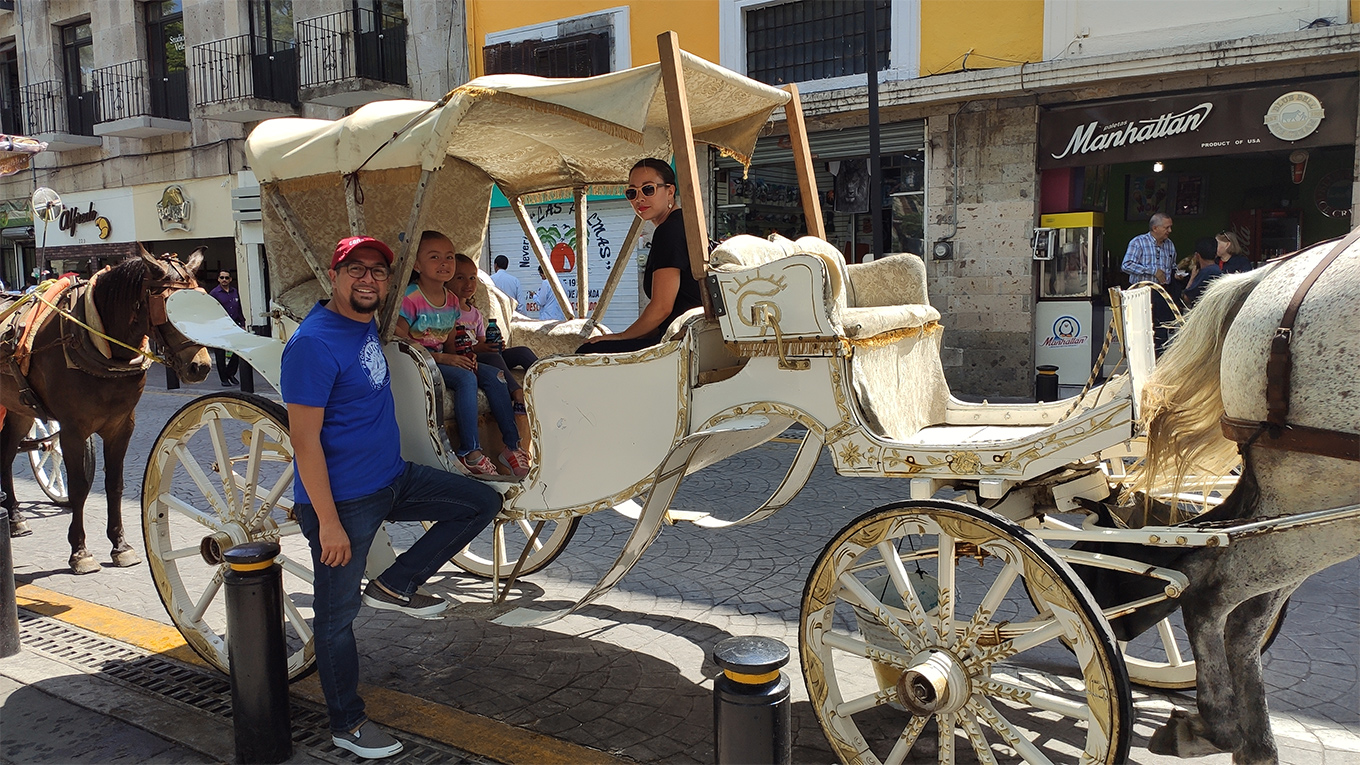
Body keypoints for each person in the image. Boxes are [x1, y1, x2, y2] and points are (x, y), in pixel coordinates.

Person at [280, 235, 500, 760]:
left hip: (393, 479)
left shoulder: (365, 325)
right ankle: (347, 724)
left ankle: (396, 582)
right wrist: (328, 523)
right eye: (355, 269)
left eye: (378, 272)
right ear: (334, 276)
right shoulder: (312, 344)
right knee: (336, 619)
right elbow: (304, 442)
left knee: (482, 503)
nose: (368, 280)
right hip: (345, 503)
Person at [394, 231, 529, 477]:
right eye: (434, 257)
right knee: (466, 378)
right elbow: (398, 337)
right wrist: (443, 359)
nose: (444, 263)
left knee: (496, 376)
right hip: (418, 364)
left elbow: (450, 340)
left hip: (442, 360)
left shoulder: (451, 301)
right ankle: (470, 452)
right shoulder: (411, 297)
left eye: (448, 257)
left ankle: (511, 446)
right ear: (417, 265)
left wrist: (464, 357)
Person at [577, 158, 702, 354]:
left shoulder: (669, 231)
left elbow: (662, 307)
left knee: (587, 352)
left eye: (648, 189)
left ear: (670, 191)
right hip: (688, 337)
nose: (639, 199)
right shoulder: (684, 224)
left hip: (679, 343)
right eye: (632, 192)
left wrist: (622, 336)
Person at [449, 253, 538, 419]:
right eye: (460, 278)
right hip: (468, 358)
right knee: (493, 357)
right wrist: (482, 348)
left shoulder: (475, 313)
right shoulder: (447, 312)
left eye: (472, 278)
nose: (468, 283)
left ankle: (549, 380)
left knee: (522, 352)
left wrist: (493, 345)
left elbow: (481, 340)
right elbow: (452, 348)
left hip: (484, 354)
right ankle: (517, 392)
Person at [208, 269, 246, 386]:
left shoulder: (234, 291)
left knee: (238, 351)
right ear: (218, 279)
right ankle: (224, 379)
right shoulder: (214, 293)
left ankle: (230, 373)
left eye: (226, 278)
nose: (224, 280)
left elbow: (238, 308)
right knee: (220, 354)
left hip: (234, 324)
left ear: (230, 279)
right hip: (219, 326)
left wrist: (242, 322)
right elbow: (210, 310)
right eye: (222, 277)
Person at [1121, 213, 1177, 287]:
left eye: (1170, 227)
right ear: (1155, 228)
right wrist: (1153, 271)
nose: (1170, 230)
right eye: (1167, 228)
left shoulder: (1169, 244)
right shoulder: (1138, 242)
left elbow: (1173, 266)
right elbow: (1126, 265)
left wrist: (1177, 274)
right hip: (1141, 289)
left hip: (1163, 290)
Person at [1181, 237, 1223, 308]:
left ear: (1197, 256)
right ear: (1216, 255)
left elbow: (1186, 298)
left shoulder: (1206, 273)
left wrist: (1192, 278)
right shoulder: (1218, 270)